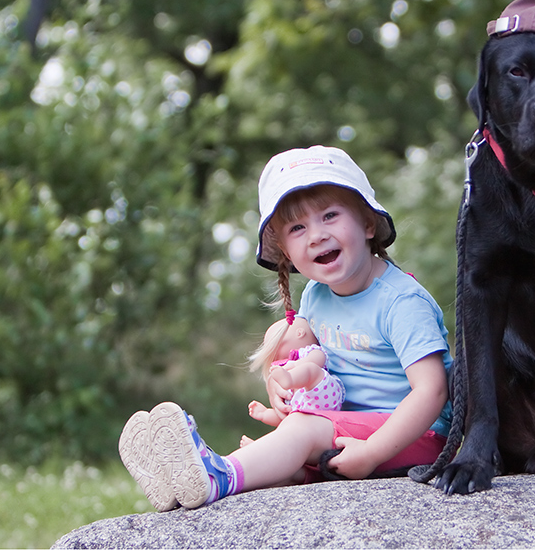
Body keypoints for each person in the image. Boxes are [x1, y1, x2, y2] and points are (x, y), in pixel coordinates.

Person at [118, 145, 453, 511]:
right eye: (297, 227)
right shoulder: (316, 296)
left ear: (368, 223)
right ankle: (187, 481)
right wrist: (282, 382)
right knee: (285, 451)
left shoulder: (400, 301)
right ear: (285, 251)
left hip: (413, 437)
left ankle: (220, 474)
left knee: (300, 431)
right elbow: (311, 359)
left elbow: (432, 391)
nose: (316, 235)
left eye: (330, 215)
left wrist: (372, 452)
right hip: (345, 427)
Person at [245, 316, 345, 428]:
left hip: (321, 394)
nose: (274, 354)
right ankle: (263, 443)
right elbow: (283, 418)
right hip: (304, 411)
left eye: (276, 345)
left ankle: (291, 379)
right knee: (286, 417)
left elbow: (318, 359)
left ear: (299, 333)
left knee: (311, 369)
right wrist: (264, 414)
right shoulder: (285, 368)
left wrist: (295, 365)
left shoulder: (309, 351)